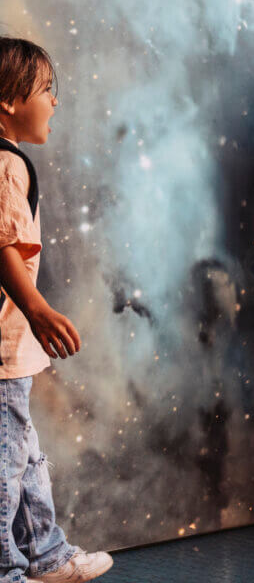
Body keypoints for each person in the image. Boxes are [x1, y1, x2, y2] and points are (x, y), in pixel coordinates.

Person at [0, 37, 113, 583]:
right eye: (47, 90)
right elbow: (1, 245)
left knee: (23, 460)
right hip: (3, 349)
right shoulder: (5, 166)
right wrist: (38, 309)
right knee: (6, 467)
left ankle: (45, 555)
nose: (55, 102)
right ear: (8, 100)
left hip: (11, 351)